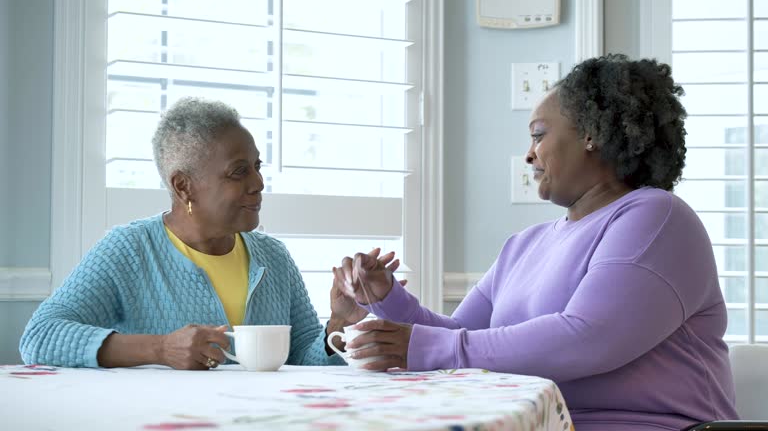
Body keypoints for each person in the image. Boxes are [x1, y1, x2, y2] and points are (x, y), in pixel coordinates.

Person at [333, 55, 739, 430]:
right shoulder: (524, 245)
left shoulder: (657, 216)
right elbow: (460, 335)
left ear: (592, 134)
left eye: (539, 135)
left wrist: (429, 347)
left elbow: (588, 338)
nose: (529, 155)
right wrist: (386, 298)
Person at [19, 97, 390, 370]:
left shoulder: (273, 257)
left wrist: (337, 326)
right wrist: (160, 349)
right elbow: (40, 337)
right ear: (184, 187)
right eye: (238, 171)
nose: (258, 182)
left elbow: (302, 360)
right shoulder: (129, 250)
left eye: (257, 167)